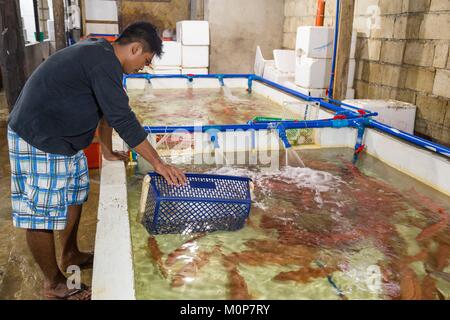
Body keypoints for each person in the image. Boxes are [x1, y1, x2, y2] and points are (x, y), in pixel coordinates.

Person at [7, 21, 186, 300]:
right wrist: (159, 163)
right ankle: (53, 283)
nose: (144, 67)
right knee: (40, 213)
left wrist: (104, 148)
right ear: (135, 48)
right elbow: (122, 118)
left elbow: (106, 108)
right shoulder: (103, 63)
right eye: (146, 61)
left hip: (65, 140)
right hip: (40, 136)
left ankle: (70, 254)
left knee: (76, 195)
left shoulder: (102, 52)